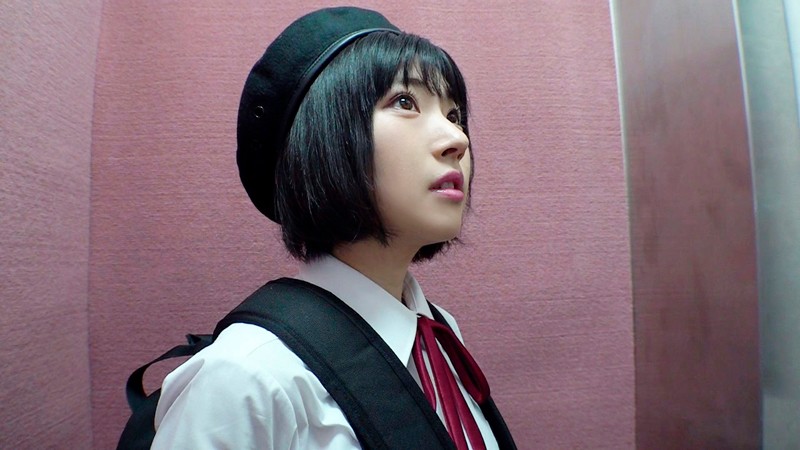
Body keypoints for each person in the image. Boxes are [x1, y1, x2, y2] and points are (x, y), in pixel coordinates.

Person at [151, 7, 515, 449]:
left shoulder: (440, 335)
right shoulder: (250, 378)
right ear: (323, 138)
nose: (458, 140)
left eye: (454, 115)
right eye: (405, 102)